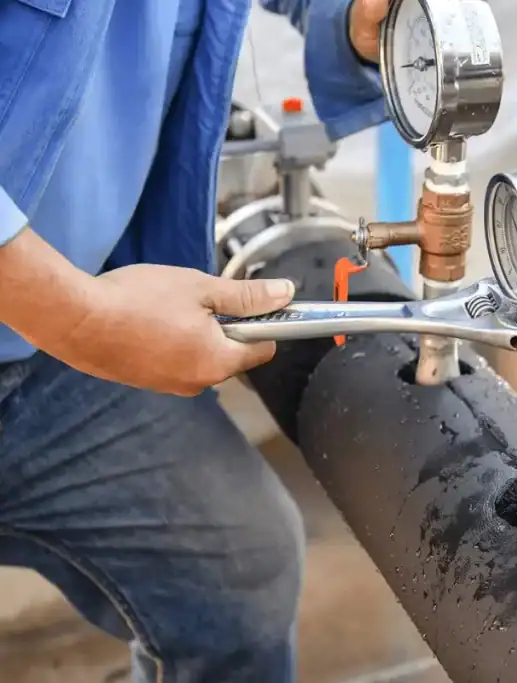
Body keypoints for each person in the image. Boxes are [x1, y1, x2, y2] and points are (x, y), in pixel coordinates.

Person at [0, 1, 388, 681]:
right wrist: (83, 323)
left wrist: (354, 14)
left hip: (52, 352)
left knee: (237, 576)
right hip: (66, 317)